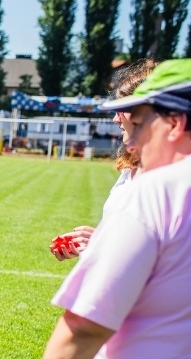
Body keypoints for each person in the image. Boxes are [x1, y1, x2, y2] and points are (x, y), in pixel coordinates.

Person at [9, 59, 191, 359]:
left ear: (177, 122)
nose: (129, 133)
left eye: (140, 119)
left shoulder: (154, 193)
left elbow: (84, 326)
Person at [51, 59, 157, 261]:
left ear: (145, 113)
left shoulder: (173, 181)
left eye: (120, 110)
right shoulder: (131, 169)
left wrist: (102, 244)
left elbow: (163, 261)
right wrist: (98, 241)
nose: (115, 119)